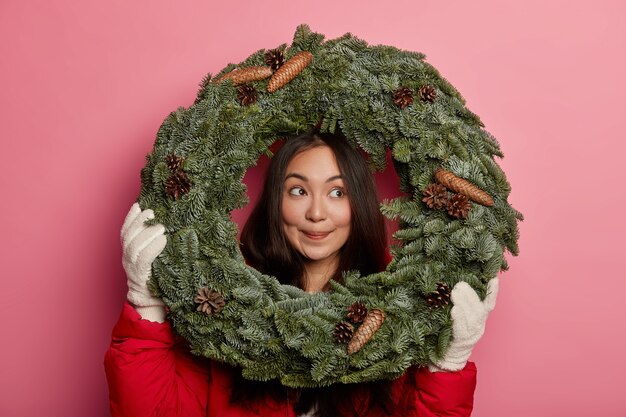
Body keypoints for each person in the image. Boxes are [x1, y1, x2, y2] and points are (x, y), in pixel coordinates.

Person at [105, 129, 498, 417]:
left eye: (337, 192)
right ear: (276, 201)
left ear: (358, 202)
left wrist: (447, 366)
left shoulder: (397, 315)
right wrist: (147, 308)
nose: (316, 213)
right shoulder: (221, 304)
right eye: (298, 191)